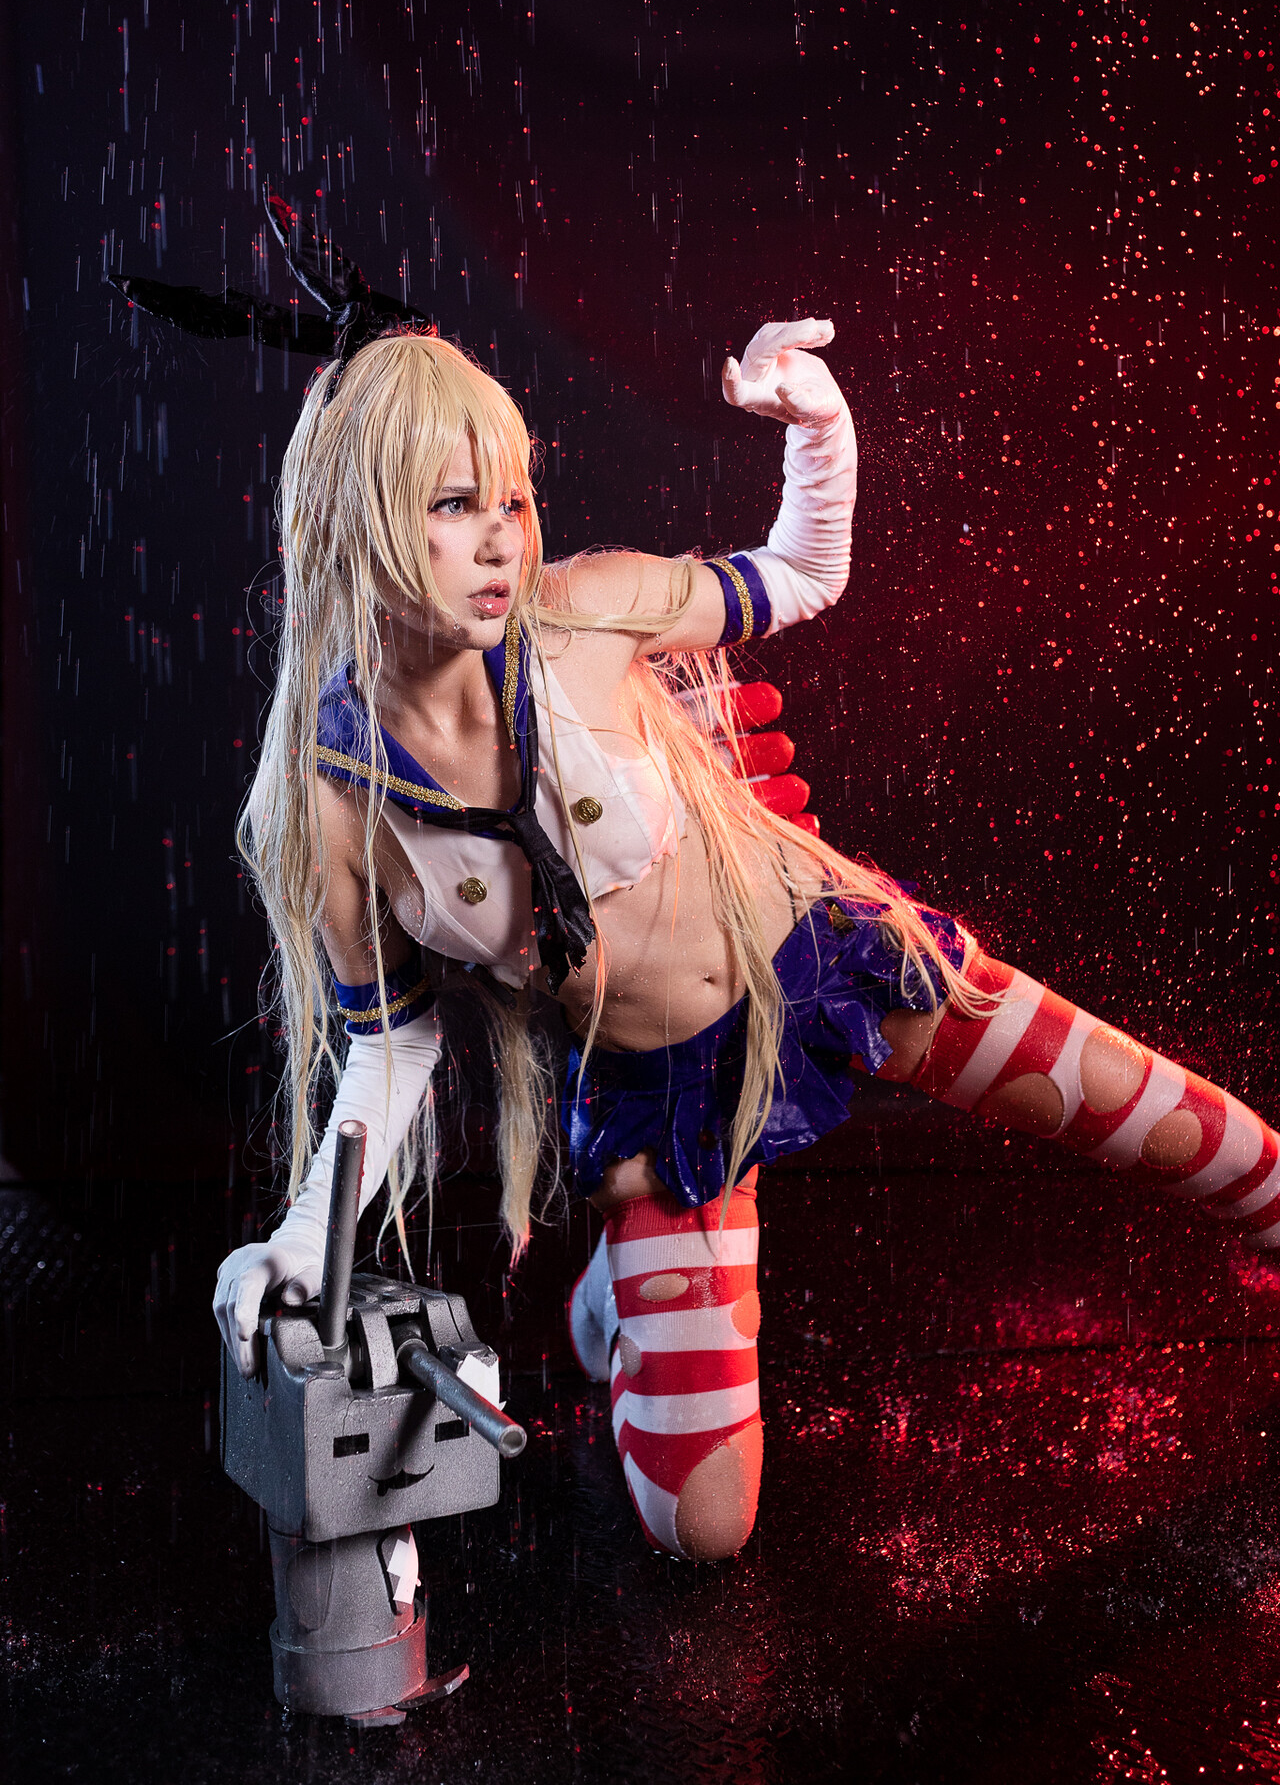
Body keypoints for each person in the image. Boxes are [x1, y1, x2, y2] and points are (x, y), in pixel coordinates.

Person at [212, 316, 1280, 1565]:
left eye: (512, 497)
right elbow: (391, 1043)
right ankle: (619, 1297)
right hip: (672, 1106)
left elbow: (800, 572)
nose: (502, 538)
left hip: (834, 963)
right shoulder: (337, 802)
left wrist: (818, 427)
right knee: (702, 1530)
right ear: (357, 524)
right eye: (455, 504)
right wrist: (305, 1238)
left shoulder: (584, 611)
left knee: (1213, 1147)